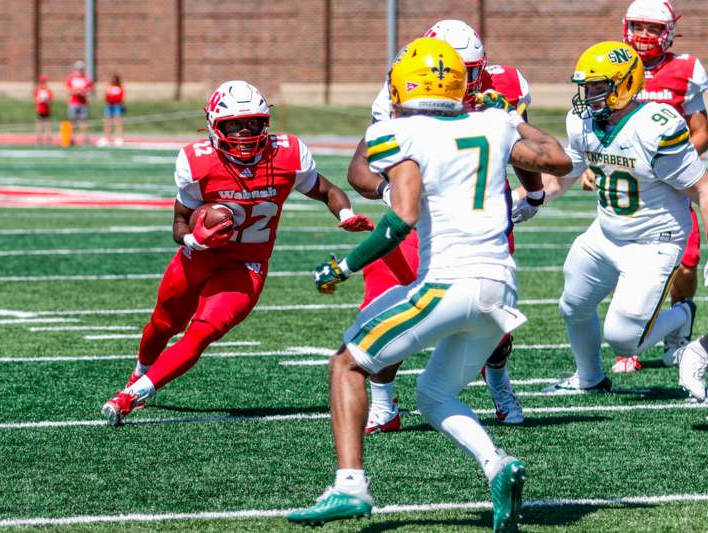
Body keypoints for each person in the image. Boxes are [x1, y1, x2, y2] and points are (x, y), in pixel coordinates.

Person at [287, 38, 572, 530]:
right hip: (500, 289)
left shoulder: (398, 132)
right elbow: (557, 160)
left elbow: (401, 217)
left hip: (449, 283)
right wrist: (510, 116)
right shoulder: (493, 121)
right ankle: (498, 465)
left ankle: (350, 485)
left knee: (346, 363)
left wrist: (345, 267)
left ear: (403, 84)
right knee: (435, 394)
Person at [101, 80, 374, 425]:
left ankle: (132, 395)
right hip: (199, 258)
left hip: (247, 266)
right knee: (164, 323)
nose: (244, 132)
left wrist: (345, 214)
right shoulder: (197, 161)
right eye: (235, 124)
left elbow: (327, 190)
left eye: (253, 123)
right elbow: (178, 224)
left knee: (201, 333)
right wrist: (193, 241)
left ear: (265, 123)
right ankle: (139, 372)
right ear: (216, 124)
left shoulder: (287, 154)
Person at [351, 19, 537, 432]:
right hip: (422, 211)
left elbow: (524, 151)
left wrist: (535, 192)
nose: (466, 80)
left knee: (494, 313)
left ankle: (500, 383)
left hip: (479, 210)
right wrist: (393, 195)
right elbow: (361, 167)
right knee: (385, 306)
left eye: (473, 69)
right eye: (458, 67)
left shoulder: (505, 83)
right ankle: (384, 404)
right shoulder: (405, 84)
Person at [517, 42, 708, 395]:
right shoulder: (582, 121)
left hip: (654, 239)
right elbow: (566, 174)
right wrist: (526, 198)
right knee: (572, 306)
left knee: (624, 341)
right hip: (605, 232)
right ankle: (589, 377)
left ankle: (682, 315)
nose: (588, 95)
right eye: (586, 87)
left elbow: (701, 188)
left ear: (624, 85)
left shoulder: (657, 126)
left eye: (598, 87)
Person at [65, 60, 93, 145]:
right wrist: (76, 92)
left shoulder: (86, 79)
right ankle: (71, 138)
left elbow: (89, 90)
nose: (79, 71)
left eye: (81, 69)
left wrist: (83, 92)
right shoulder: (71, 78)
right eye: (78, 69)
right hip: (73, 102)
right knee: (72, 121)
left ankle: (85, 139)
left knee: (84, 121)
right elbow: (68, 89)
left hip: (83, 103)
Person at [99, 74, 125, 147]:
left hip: (117, 106)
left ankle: (119, 138)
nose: (113, 81)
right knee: (107, 122)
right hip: (109, 105)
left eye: (115, 79)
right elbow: (106, 97)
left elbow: (122, 97)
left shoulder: (120, 87)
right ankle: (107, 138)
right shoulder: (108, 87)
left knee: (118, 122)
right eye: (112, 79)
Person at [34, 75, 54, 145]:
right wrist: (41, 100)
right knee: (39, 125)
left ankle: (49, 139)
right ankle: (39, 139)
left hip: (47, 110)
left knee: (48, 125)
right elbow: (35, 99)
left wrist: (47, 100)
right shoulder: (38, 90)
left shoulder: (48, 91)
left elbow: (51, 100)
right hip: (40, 110)